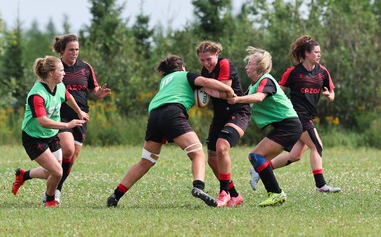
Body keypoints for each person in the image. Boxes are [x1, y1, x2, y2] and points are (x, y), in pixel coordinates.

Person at [106, 55, 236, 208]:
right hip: (172, 112)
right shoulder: (185, 75)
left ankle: (116, 195)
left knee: (146, 161)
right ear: (182, 67)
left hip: (154, 115)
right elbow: (206, 82)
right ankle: (198, 187)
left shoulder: (165, 81)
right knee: (197, 153)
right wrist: (228, 89)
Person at [249, 35, 341, 193]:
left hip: (310, 116)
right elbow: (278, 91)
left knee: (296, 155)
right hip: (298, 116)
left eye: (320, 52)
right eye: (316, 52)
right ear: (307, 54)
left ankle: (261, 169)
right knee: (317, 146)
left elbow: (331, 93)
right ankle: (321, 185)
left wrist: (329, 96)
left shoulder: (323, 72)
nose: (319, 55)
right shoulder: (293, 72)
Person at [227, 46, 302, 206]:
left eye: (250, 64)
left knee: (257, 157)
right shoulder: (254, 85)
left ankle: (276, 193)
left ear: (259, 66)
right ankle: (274, 193)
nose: (247, 67)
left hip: (289, 126)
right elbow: (242, 102)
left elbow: (259, 98)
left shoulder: (266, 80)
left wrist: (237, 99)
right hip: (284, 126)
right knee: (255, 158)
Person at [12, 56, 88, 208]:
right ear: (52, 73)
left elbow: (68, 96)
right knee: (58, 172)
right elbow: (43, 121)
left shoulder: (58, 86)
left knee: (51, 173)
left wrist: (79, 112)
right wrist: (67, 125)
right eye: (61, 70)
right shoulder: (37, 95)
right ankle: (50, 200)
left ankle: (23, 175)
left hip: (51, 135)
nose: (64, 73)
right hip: (34, 138)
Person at [47, 34, 111, 204]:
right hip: (61, 115)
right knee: (67, 150)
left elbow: (93, 90)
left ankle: (52, 188)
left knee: (72, 158)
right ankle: (53, 193)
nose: (74, 53)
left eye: (77, 49)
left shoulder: (85, 67)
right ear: (62, 50)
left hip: (82, 116)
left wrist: (99, 93)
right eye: (71, 50)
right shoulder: (57, 68)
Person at [195, 41, 251, 207]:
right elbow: (215, 92)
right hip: (219, 116)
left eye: (209, 59)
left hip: (238, 112)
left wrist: (205, 88)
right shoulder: (205, 70)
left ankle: (223, 193)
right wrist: (209, 89)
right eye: (202, 60)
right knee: (212, 159)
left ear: (217, 54)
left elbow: (225, 90)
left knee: (222, 147)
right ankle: (234, 195)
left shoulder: (224, 63)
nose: (206, 63)